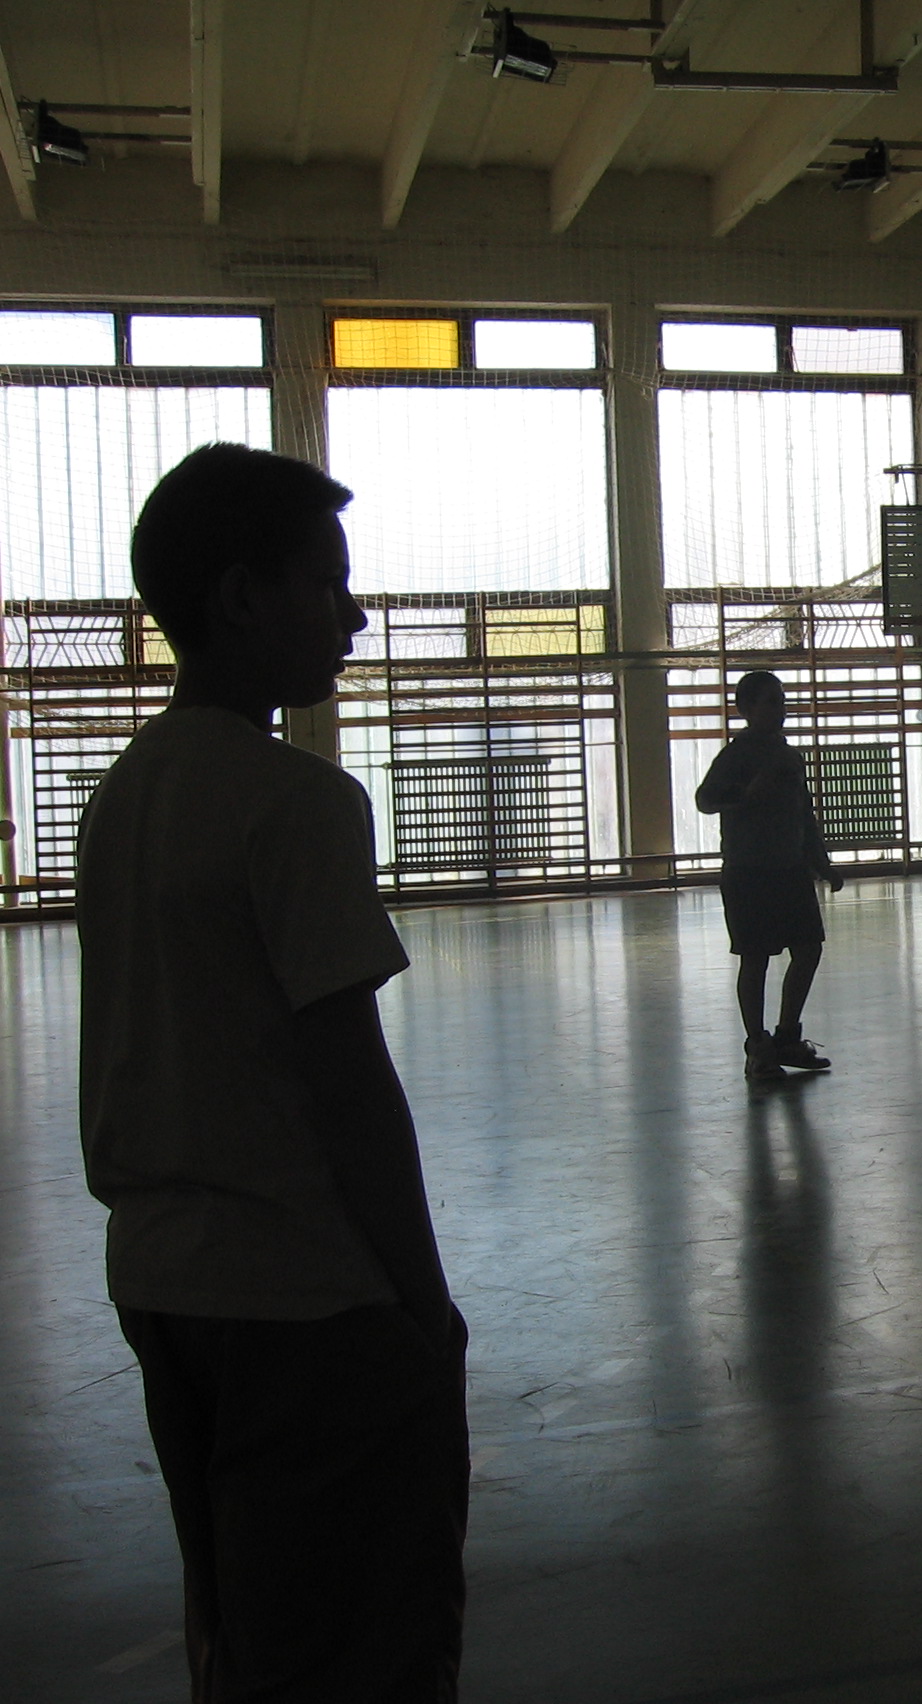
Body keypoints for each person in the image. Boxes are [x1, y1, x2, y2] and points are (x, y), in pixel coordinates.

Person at [75, 443, 467, 1700]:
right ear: (244, 598)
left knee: (238, 1628)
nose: (354, 616)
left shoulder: (123, 794)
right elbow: (346, 1080)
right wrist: (423, 1310)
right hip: (304, 1304)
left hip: (163, 1284)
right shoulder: (296, 802)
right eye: (328, 582)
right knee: (366, 1644)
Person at [697, 670, 841, 1079]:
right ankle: (758, 1047)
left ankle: (788, 1036)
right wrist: (744, 795)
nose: (781, 709)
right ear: (746, 709)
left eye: (782, 700)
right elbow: (705, 799)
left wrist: (821, 863)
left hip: (790, 869)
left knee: (808, 949)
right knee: (755, 958)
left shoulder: (789, 756)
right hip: (749, 872)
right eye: (771, 701)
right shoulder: (736, 756)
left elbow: (804, 814)